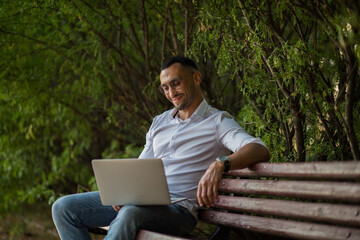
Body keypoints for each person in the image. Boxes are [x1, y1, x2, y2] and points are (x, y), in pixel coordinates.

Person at [52, 56, 270, 239]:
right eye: (165, 87)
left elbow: (258, 147)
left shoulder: (217, 121)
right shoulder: (160, 122)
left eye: (175, 83)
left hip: (179, 212)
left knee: (129, 213)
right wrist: (124, 192)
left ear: (196, 78)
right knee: (63, 208)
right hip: (141, 203)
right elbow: (142, 166)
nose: (171, 93)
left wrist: (220, 164)